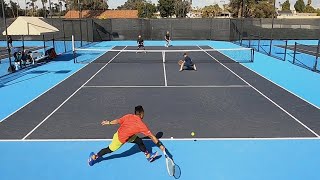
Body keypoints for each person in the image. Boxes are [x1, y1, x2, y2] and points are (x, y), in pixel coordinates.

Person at [88, 105, 165, 166]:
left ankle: (148, 156)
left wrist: (109, 122)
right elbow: (152, 136)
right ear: (141, 114)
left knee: (139, 141)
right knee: (109, 150)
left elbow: (118, 121)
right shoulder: (142, 125)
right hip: (119, 138)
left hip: (128, 136)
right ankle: (94, 157)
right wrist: (160, 146)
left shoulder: (128, 116)